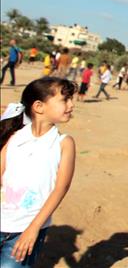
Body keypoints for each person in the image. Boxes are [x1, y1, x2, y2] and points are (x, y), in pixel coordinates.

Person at [0, 77, 77, 267]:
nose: (71, 105)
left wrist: (33, 229)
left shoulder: (63, 143)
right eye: (64, 99)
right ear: (39, 106)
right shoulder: (15, 138)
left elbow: (61, 188)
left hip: (26, 229)